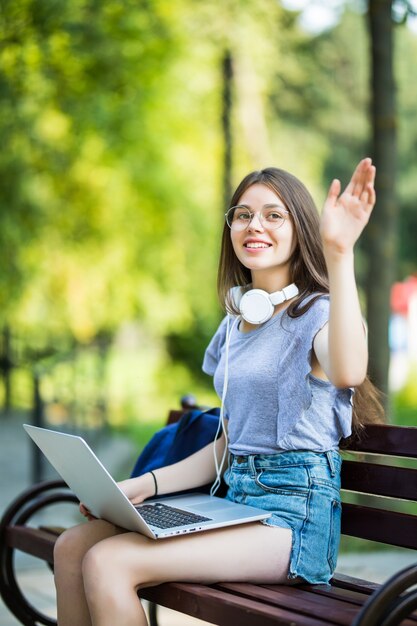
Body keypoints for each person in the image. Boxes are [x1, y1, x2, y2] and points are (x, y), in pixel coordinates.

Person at [54, 158, 383, 626]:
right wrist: (135, 488)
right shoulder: (234, 325)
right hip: (234, 505)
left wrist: (340, 252)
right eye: (243, 214)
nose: (255, 225)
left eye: (274, 215)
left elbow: (349, 371)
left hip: (292, 522)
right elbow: (226, 447)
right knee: (74, 547)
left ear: (300, 230)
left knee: (110, 561)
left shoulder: (320, 314)